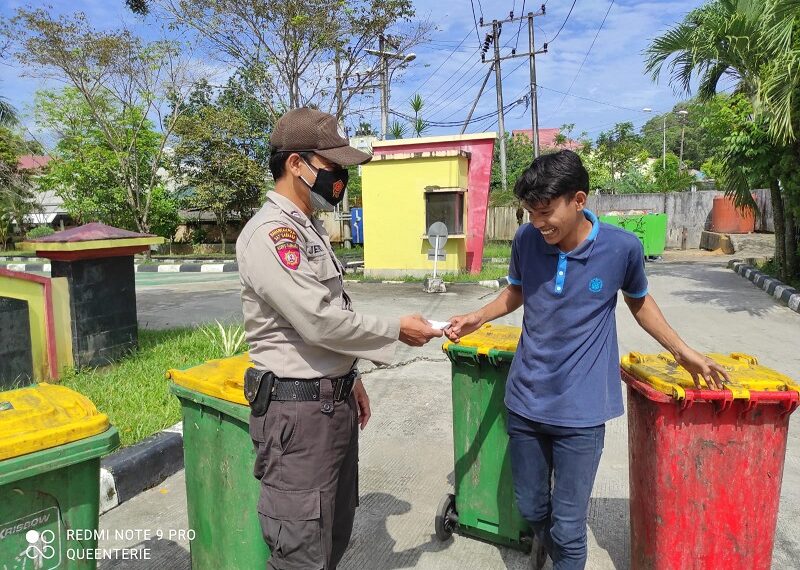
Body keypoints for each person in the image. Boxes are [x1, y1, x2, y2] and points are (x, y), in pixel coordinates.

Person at [445, 150, 729, 570]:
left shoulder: (622, 248)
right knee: (531, 505)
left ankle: (564, 553)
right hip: (525, 400)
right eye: (530, 213)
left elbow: (639, 301)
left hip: (582, 411)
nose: (537, 223)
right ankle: (553, 549)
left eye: (545, 212)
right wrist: (478, 316)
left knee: (568, 527)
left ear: (579, 200)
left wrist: (682, 351)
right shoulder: (526, 240)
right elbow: (517, 289)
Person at [236, 107, 442, 570]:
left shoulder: (308, 227)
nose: (341, 179)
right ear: (296, 164)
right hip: (297, 417)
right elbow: (318, 321)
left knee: (332, 534)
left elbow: (331, 313)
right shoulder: (271, 234)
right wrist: (396, 329)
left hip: (330, 404)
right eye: (333, 167)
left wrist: (352, 375)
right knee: (302, 548)